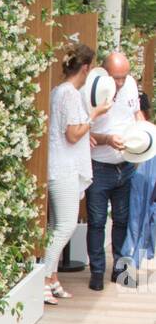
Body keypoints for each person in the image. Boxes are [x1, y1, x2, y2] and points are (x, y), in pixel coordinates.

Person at [44, 42, 112, 303]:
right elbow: (73, 134)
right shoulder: (70, 94)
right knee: (65, 225)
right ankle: (44, 278)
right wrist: (94, 114)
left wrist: (87, 135)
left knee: (55, 226)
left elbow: (69, 132)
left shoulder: (57, 92)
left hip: (59, 165)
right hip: (65, 168)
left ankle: (52, 278)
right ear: (85, 69)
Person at [83, 50, 146, 290]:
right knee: (97, 222)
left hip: (126, 164)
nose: (120, 82)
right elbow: (81, 132)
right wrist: (107, 139)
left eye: (124, 76)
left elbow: (135, 111)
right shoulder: (90, 91)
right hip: (99, 166)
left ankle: (122, 270)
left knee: (123, 220)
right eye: (116, 77)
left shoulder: (130, 84)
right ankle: (97, 272)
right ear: (103, 72)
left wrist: (143, 130)